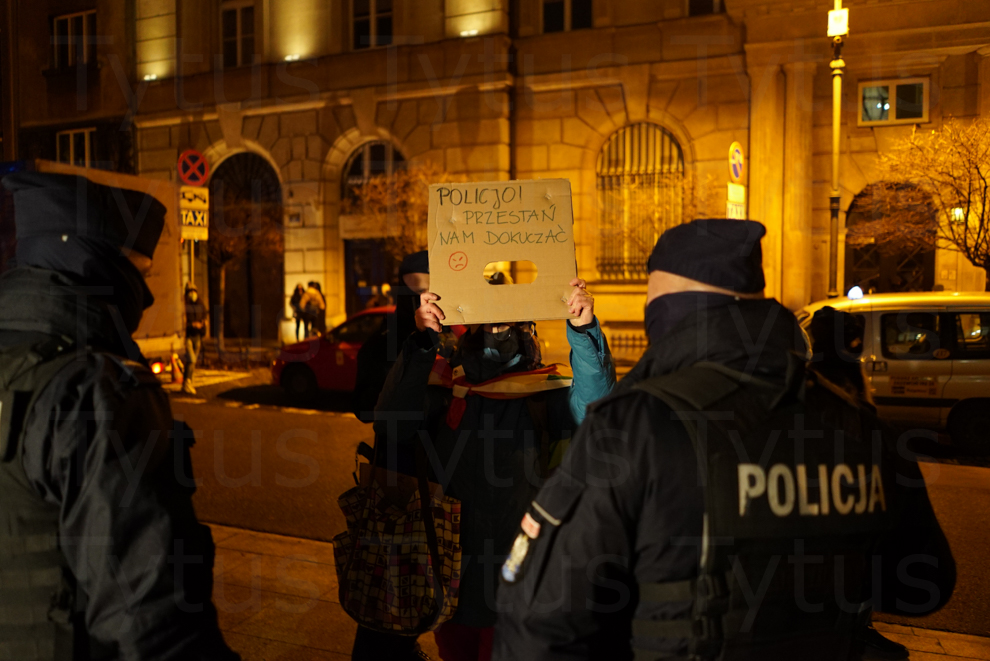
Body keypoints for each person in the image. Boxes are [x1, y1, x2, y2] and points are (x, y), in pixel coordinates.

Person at [493, 218, 955, 661]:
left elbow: (541, 613)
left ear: (671, 307)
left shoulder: (635, 426)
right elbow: (922, 585)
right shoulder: (858, 422)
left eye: (653, 302)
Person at [0, 171, 241, 660]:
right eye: (139, 272)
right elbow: (154, 622)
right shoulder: (93, 391)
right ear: (93, 262)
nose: (146, 295)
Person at [375, 276, 616, 661]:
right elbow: (392, 423)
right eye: (488, 315)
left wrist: (584, 329)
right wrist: (422, 342)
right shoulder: (444, 385)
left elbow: (597, 413)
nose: (498, 326)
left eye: (509, 317)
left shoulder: (543, 392)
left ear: (527, 327)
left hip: (521, 586)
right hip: (452, 580)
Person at [349, 250, 435, 660]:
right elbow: (366, 407)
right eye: (410, 288)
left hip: (441, 476)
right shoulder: (385, 341)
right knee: (391, 592)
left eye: (427, 287)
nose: (418, 297)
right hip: (396, 479)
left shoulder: (454, 338)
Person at [183, 281, 208, 395]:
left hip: (197, 336)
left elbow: (204, 316)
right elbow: (181, 323)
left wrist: (203, 324)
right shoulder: (184, 306)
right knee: (191, 359)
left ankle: (187, 382)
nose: (192, 293)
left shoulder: (200, 304)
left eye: (194, 291)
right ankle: (187, 383)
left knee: (192, 361)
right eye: (190, 291)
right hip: (188, 336)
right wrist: (192, 325)